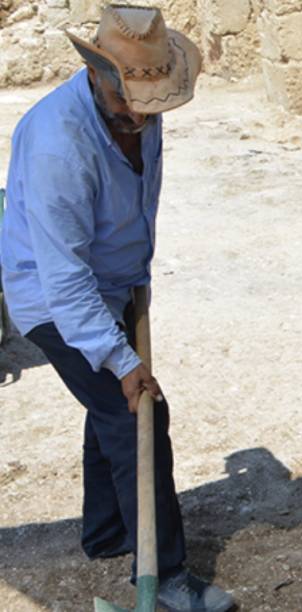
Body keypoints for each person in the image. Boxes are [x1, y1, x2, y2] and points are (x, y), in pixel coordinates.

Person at [0, 6, 233, 611]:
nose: (139, 116)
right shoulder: (59, 145)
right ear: (97, 74)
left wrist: (136, 279)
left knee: (106, 408)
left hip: (114, 284)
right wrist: (121, 359)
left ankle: (106, 534)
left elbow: (135, 197)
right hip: (54, 297)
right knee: (139, 412)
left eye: (149, 103)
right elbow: (64, 277)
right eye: (127, 100)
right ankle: (167, 578)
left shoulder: (140, 109)